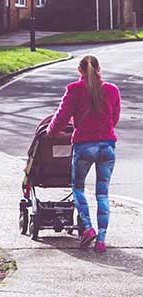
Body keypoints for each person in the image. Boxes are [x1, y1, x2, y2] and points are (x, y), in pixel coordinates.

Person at [46, 55, 121, 253]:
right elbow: (115, 118)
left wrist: (51, 132)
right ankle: (102, 240)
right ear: (99, 69)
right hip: (107, 146)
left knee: (78, 188)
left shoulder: (75, 90)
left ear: (80, 71)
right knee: (102, 193)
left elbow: (61, 117)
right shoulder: (112, 90)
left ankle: (88, 228)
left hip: (84, 146)